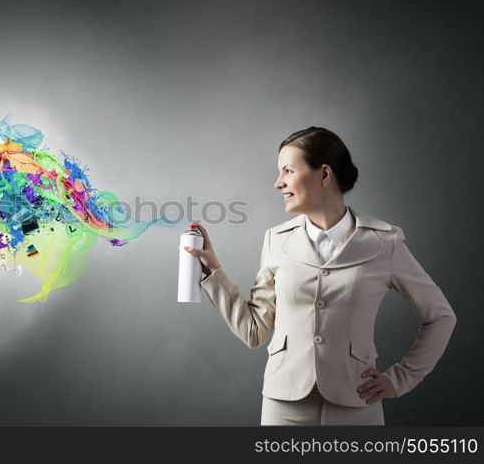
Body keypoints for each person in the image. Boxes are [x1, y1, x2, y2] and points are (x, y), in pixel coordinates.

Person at [183, 127, 456, 425]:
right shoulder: (277, 240)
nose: (278, 183)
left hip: (357, 401)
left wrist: (400, 379)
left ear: (324, 175)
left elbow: (440, 316)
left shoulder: (384, 242)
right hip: (283, 406)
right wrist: (213, 271)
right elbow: (255, 331)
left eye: (288, 170)